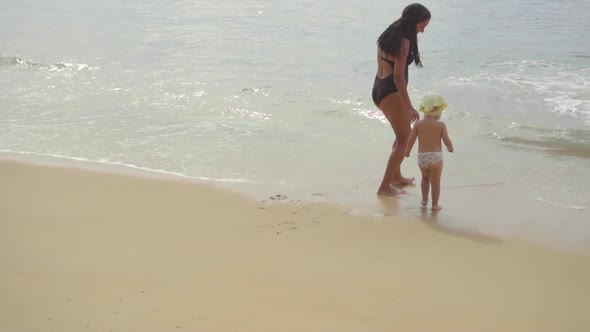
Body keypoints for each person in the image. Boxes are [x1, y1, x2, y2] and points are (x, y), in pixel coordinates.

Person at [372, 3, 431, 196]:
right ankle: (384, 187)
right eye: (422, 26)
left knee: (400, 138)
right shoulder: (403, 41)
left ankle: (396, 178)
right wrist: (409, 106)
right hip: (391, 91)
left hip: (379, 87)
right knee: (404, 141)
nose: (422, 31)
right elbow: (398, 76)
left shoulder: (390, 33)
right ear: (413, 22)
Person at [405, 93, 454, 210]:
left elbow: (411, 140)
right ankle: (435, 204)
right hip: (436, 158)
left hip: (422, 158)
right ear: (437, 111)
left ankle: (424, 199)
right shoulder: (441, 125)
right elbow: (446, 139)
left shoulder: (418, 124)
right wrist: (449, 147)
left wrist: (407, 151)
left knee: (425, 178)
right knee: (435, 182)